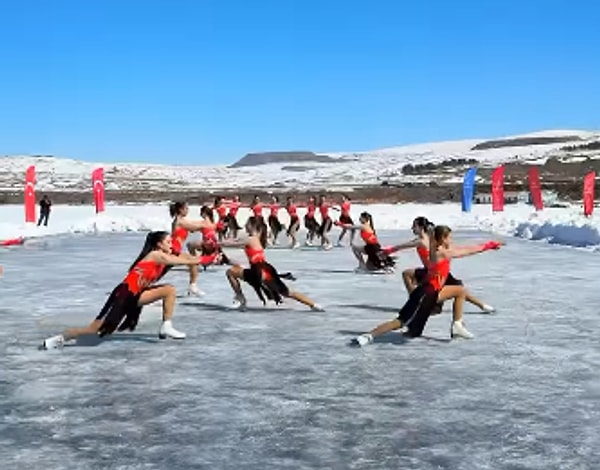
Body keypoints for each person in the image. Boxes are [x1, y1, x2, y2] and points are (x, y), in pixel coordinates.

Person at [40, 231, 206, 350]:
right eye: (168, 242)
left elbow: (185, 259)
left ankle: (166, 325)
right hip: (123, 294)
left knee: (169, 290)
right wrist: (208, 259)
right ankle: (59, 339)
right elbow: (179, 261)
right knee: (96, 331)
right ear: (158, 244)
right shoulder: (156, 255)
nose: (171, 244)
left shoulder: (163, 259)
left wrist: (209, 258)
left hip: (136, 295)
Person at [352, 225, 502, 346]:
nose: (452, 240)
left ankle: (457, 325)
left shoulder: (437, 250)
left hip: (429, 291)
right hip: (427, 293)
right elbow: (467, 251)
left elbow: (449, 247)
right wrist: (489, 245)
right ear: (443, 239)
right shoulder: (442, 253)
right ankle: (369, 336)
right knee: (400, 322)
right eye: (450, 237)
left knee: (458, 292)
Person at [399, 217, 495, 317]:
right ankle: (482, 305)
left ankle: (416, 303)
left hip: (435, 272)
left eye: (414, 226)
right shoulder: (426, 239)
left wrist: (388, 250)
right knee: (407, 274)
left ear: (420, 227)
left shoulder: (424, 241)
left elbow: (403, 246)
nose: (412, 228)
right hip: (432, 271)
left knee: (459, 291)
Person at [225, 217, 324, 311]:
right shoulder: (258, 238)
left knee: (230, 272)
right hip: (267, 270)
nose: (245, 225)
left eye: (247, 224)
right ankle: (313, 304)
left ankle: (240, 297)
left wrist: (215, 242)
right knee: (288, 292)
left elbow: (230, 244)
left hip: (258, 271)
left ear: (252, 226)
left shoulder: (251, 239)